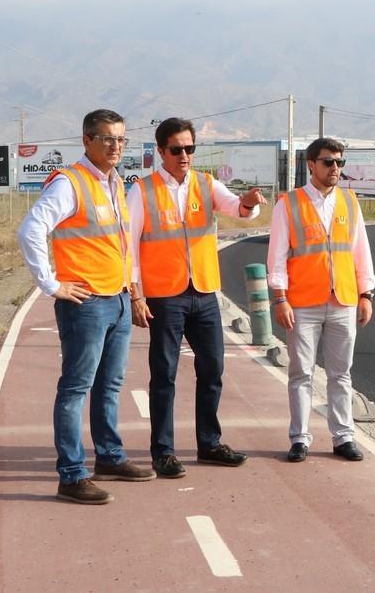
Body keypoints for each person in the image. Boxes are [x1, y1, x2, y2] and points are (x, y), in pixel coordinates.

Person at [17, 109, 155, 505]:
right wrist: (51, 284)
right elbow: (31, 229)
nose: (116, 147)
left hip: (117, 299)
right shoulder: (70, 183)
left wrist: (132, 289)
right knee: (75, 388)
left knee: (110, 385)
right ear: (87, 141)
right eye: (107, 139)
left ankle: (109, 457)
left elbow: (120, 243)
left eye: (121, 140)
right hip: (86, 303)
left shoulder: (113, 183)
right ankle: (72, 475)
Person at [127, 117, 268, 479]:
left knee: (213, 369)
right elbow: (128, 249)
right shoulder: (141, 192)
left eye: (190, 148)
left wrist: (250, 203)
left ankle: (209, 443)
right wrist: (136, 295)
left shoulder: (206, 184)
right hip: (164, 296)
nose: (184, 155)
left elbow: (237, 207)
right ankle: (163, 452)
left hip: (204, 291)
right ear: (161, 152)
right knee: (165, 375)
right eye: (177, 149)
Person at [266, 137, 375, 463]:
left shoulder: (349, 202)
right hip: (302, 303)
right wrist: (280, 299)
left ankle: (343, 437)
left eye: (340, 163)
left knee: (341, 374)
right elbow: (277, 257)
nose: (335, 168)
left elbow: (361, 253)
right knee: (300, 373)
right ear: (311, 165)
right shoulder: (288, 204)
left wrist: (365, 294)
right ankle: (299, 438)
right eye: (328, 162)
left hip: (343, 301)